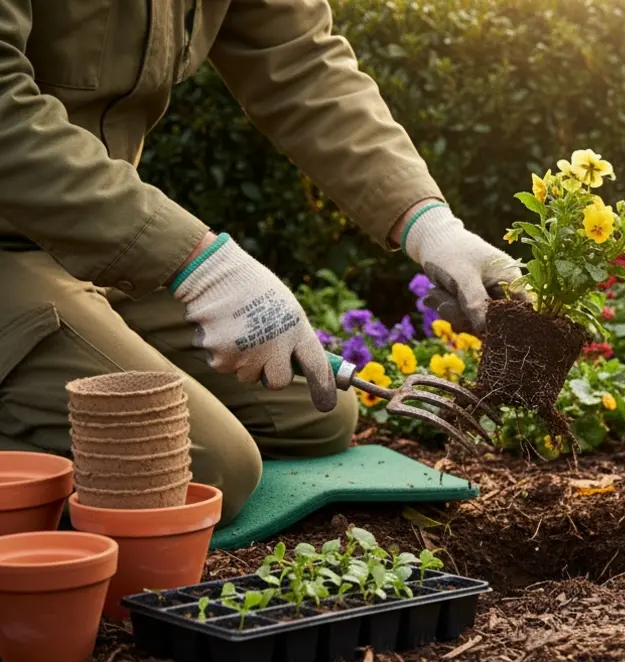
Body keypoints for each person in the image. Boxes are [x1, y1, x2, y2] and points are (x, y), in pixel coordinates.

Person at [0, 0, 520, 521]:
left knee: (316, 412)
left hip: (88, 240)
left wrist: (428, 226)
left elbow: (299, 61)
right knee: (201, 468)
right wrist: (199, 263)